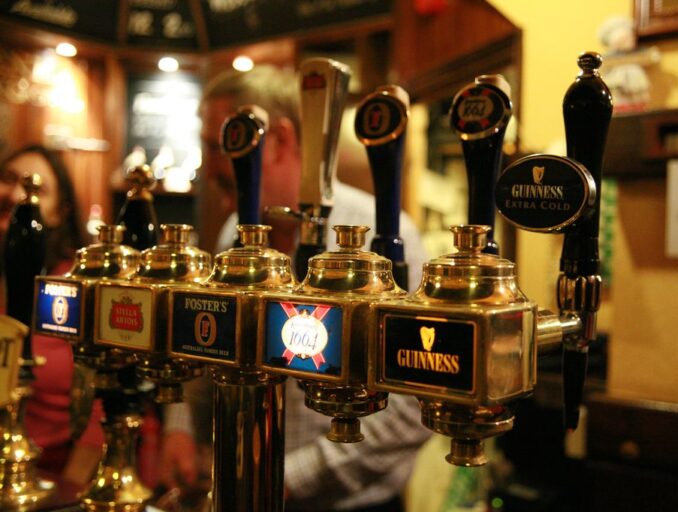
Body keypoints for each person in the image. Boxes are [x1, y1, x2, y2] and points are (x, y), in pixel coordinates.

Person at [160, 65, 432, 511]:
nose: (208, 165)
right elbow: (212, 342)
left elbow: (412, 405)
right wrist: (180, 426)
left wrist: (285, 478)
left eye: (219, 145)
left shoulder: (384, 234)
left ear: (279, 139)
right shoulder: (236, 231)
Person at [0, 144, 104, 486]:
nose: (15, 194)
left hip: (52, 478)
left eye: (35, 189)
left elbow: (100, 409)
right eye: (7, 178)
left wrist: (66, 492)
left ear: (60, 211)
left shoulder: (75, 286)